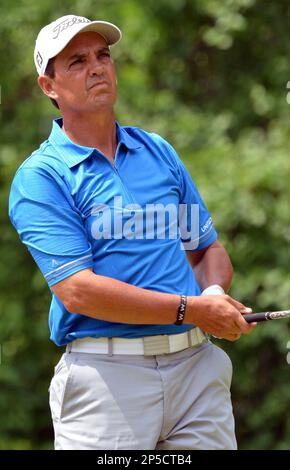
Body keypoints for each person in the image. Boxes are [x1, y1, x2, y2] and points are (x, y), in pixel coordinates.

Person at [8, 14, 256, 450]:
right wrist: (192, 309)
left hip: (196, 369)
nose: (97, 67)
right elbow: (78, 291)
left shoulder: (156, 151)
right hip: (108, 380)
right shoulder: (42, 177)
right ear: (49, 87)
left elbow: (205, 250)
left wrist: (214, 293)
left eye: (103, 55)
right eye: (77, 62)